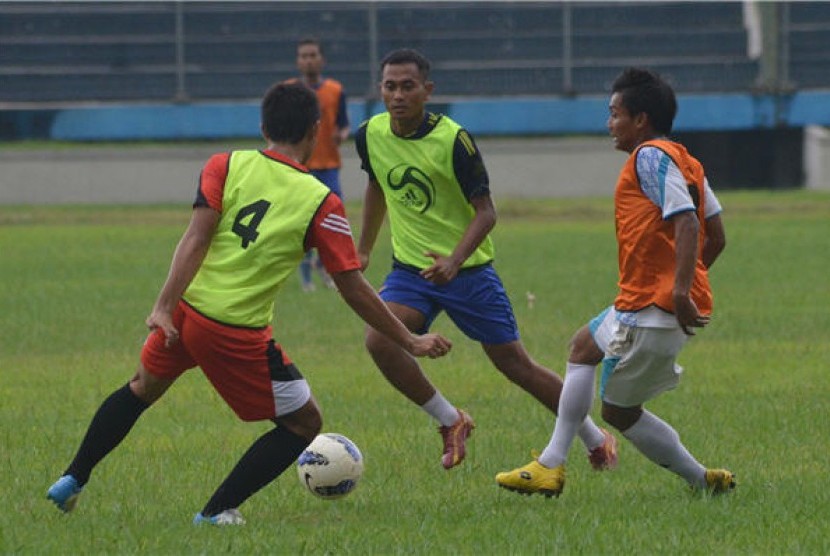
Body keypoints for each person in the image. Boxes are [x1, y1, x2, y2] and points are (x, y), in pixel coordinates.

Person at [46, 82, 452, 525]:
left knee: (142, 388)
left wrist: (164, 306)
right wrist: (409, 340)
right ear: (317, 131)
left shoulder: (225, 164)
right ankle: (216, 512)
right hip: (233, 331)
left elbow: (195, 237)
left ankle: (72, 479)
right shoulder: (321, 201)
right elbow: (352, 287)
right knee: (304, 424)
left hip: (185, 312)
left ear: (263, 126)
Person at [354, 48, 617, 471]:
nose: (398, 95)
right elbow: (377, 186)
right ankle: (450, 420)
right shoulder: (369, 134)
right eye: (389, 86)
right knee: (379, 339)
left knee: (515, 365)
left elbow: (487, 213)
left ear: (427, 90)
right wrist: (365, 246)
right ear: (379, 89)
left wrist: (455, 261)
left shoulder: (454, 140)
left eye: (408, 86)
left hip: (469, 273)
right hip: (411, 270)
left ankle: (594, 437)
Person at [496, 67, 733, 498]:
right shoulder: (688, 161)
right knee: (582, 347)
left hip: (649, 308)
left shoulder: (648, 157)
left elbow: (685, 220)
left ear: (640, 119)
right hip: (644, 305)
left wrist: (677, 290)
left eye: (614, 114)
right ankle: (552, 463)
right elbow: (715, 234)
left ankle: (698, 479)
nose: (609, 124)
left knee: (620, 414)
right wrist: (683, 286)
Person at [290, 37, 350, 292]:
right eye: (304, 55)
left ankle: (327, 270)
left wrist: (342, 135)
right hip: (300, 167)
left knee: (333, 221)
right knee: (301, 224)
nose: (308, 60)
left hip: (328, 166)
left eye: (313, 55)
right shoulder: (290, 90)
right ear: (297, 61)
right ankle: (305, 279)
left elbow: (344, 123)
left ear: (322, 59)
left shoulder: (335, 90)